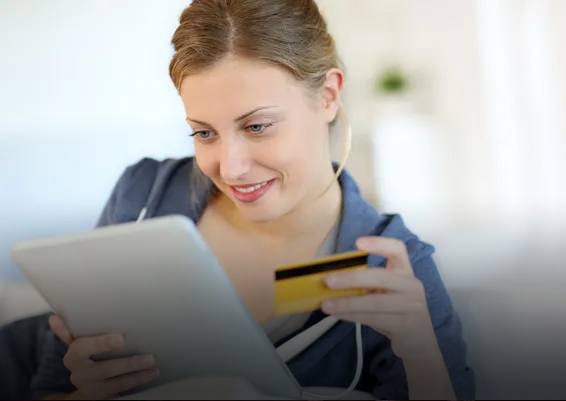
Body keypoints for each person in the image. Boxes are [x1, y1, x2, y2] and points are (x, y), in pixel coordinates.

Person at [24, 0, 475, 399]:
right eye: (204, 133)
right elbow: (50, 388)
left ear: (328, 96)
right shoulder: (141, 197)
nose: (230, 167)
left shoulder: (392, 268)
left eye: (257, 126)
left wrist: (422, 357)